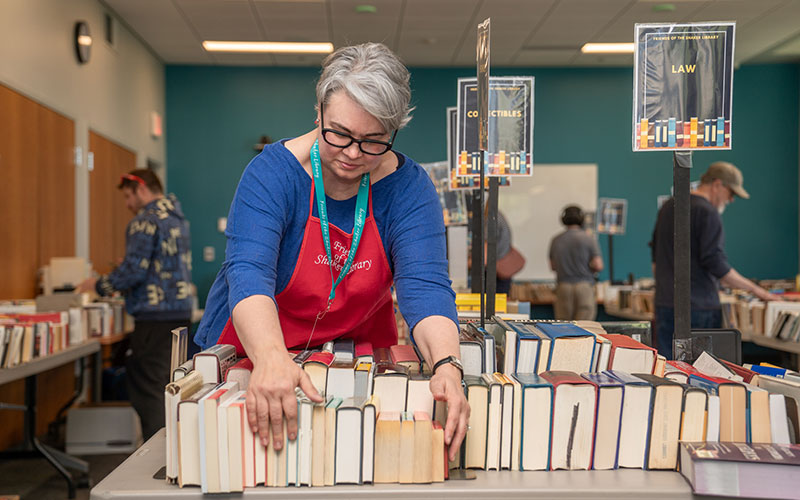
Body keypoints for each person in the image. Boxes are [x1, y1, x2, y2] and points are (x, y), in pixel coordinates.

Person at [194, 42, 469, 459]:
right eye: (339, 134)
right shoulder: (273, 174)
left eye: (374, 140)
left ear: (394, 130)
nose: (353, 153)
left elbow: (426, 288)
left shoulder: (410, 189)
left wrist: (448, 364)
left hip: (347, 359)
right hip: (257, 348)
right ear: (319, 111)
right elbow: (248, 274)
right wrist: (270, 358)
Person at [77, 169, 194, 440]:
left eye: (129, 196)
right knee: (168, 382)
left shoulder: (145, 221)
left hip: (153, 316)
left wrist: (96, 285)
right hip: (179, 313)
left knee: (147, 388)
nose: (128, 204)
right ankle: (175, 447)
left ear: (142, 190)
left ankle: (157, 453)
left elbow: (133, 272)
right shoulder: (178, 218)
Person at [650, 161, 778, 357]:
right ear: (718, 185)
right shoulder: (708, 212)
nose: (731, 200)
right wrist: (759, 292)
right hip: (700, 308)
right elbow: (716, 264)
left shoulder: (668, 206)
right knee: (701, 376)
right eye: (731, 193)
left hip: (665, 304)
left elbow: (655, 260)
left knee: (668, 372)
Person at [548, 205, 603, 320]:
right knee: (585, 328)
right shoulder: (589, 238)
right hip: (584, 287)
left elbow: (553, 266)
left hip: (563, 288)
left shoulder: (556, 240)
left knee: (563, 328)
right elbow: (598, 265)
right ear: (582, 219)